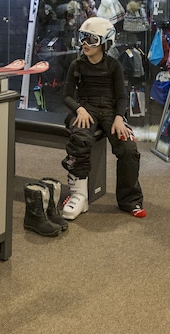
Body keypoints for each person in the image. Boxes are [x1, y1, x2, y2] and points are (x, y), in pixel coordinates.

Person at [59, 16, 146, 220]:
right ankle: (78, 195)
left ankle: (130, 200)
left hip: (110, 110)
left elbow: (122, 96)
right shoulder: (77, 65)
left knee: (128, 148)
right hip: (85, 108)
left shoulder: (114, 65)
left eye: (92, 39)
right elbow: (67, 96)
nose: (85, 44)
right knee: (79, 141)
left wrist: (119, 117)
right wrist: (79, 109)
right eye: (83, 37)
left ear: (105, 43)